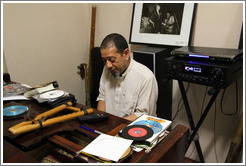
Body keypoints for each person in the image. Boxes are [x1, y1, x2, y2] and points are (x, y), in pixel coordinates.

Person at [96, 33, 158, 121]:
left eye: (112, 60)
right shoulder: (107, 69)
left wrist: (115, 127)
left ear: (126, 53)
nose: (108, 65)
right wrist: (100, 123)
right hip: (110, 126)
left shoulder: (146, 78)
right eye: (104, 60)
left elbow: (143, 115)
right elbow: (102, 98)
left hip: (135, 128)